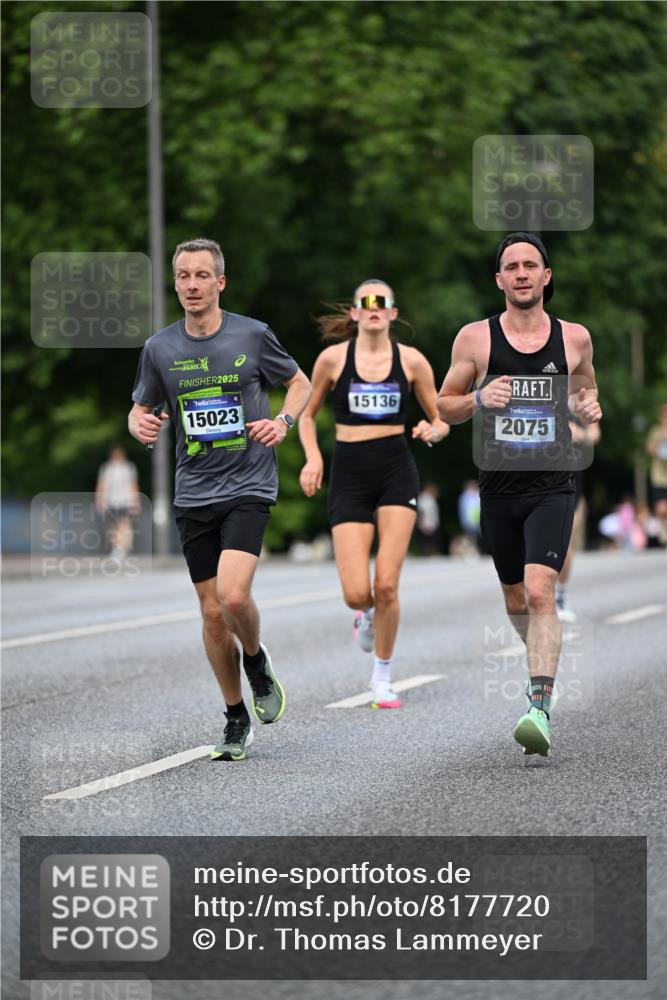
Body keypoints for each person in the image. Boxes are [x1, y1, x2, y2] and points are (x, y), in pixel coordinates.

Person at [128, 238, 311, 761]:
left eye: (202, 275)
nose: (192, 284)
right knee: (211, 614)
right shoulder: (159, 348)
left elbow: (298, 384)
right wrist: (139, 423)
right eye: (183, 275)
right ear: (175, 283)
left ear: (220, 282)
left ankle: (255, 659)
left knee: (232, 597)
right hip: (194, 491)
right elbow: (140, 407)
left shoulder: (251, 335)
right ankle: (235, 716)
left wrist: (283, 422)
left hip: (248, 484)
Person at [438, 232, 602, 758]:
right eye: (512, 267)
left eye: (531, 265)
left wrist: (589, 406)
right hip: (498, 486)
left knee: (538, 591)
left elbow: (585, 386)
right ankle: (540, 658)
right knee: (515, 598)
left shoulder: (574, 337)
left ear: (546, 276)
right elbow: (444, 405)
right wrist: (478, 397)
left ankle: (538, 706)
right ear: (499, 280)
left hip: (553, 481)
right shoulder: (475, 339)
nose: (522, 273)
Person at [298, 279, 449, 708]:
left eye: (382, 302)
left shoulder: (412, 361)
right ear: (355, 313)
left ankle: (382, 676)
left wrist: (433, 431)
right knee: (356, 593)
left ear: (393, 313)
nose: (374, 307)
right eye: (366, 302)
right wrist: (313, 458)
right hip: (349, 475)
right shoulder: (332, 359)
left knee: (386, 585)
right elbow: (306, 416)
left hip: (395, 472)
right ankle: (363, 615)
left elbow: (442, 418)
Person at [555, 418, 601, 622]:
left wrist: (580, 433)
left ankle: (560, 595)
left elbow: (595, 434)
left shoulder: (580, 402)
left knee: (564, 540)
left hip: (570, 477)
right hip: (536, 472)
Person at [95, 445, 140, 562]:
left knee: (124, 524)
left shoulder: (128, 468)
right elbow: (102, 485)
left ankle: (123, 548)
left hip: (125, 501)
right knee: (114, 526)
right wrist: (100, 500)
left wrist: (135, 501)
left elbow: (133, 485)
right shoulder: (107, 469)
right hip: (111, 501)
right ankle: (117, 547)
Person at [646, 403, 667, 526]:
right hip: (659, 476)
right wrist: (659, 451)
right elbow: (649, 447)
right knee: (661, 508)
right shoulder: (656, 431)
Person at [416, 483, 442, 556]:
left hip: (430, 522)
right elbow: (421, 511)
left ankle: (429, 551)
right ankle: (427, 552)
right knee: (427, 538)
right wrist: (422, 521)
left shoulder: (429, 498)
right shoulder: (425, 498)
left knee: (429, 538)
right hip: (426, 522)